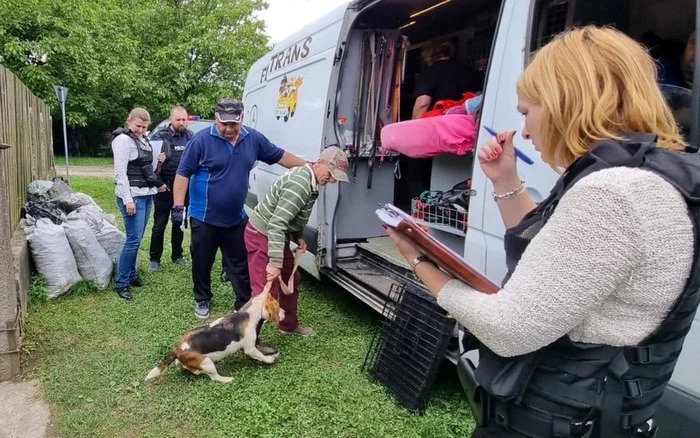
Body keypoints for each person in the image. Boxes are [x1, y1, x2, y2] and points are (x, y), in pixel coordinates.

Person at [386, 26, 699, 438]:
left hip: (559, 420)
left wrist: (417, 258)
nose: (527, 132)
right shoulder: (649, 177)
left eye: (526, 112)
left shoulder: (613, 194)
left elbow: (509, 329)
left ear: (566, 103)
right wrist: (504, 180)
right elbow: (558, 256)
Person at [171, 98, 306, 322]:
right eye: (224, 123)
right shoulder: (201, 141)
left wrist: (308, 166)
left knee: (240, 262)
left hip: (236, 217)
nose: (228, 128)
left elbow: (280, 156)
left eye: (233, 123)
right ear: (216, 118)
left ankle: (242, 302)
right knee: (202, 260)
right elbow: (183, 173)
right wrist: (178, 206)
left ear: (242, 118)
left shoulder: (253, 139)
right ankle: (202, 298)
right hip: (204, 217)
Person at [245, 145, 349, 343]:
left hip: (275, 234)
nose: (333, 179)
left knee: (293, 279)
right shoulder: (300, 184)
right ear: (319, 163)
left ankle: (288, 325)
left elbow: (291, 216)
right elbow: (277, 223)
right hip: (262, 234)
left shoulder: (310, 179)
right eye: (331, 173)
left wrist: (298, 236)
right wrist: (274, 263)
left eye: (336, 176)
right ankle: (251, 342)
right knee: (264, 292)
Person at [397, 38, 482, 211]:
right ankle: (450, 210)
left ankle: (421, 213)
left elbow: (422, 104)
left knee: (415, 175)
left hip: (435, 136)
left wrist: (415, 133)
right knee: (455, 177)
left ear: (428, 55)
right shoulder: (470, 72)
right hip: (463, 136)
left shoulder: (431, 73)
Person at [111, 108, 168, 300]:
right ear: (129, 121)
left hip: (145, 194)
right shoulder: (122, 141)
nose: (140, 130)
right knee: (133, 240)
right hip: (132, 196)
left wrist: (158, 162)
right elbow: (120, 173)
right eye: (138, 126)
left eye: (144, 127)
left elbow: (146, 168)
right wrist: (128, 200)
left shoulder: (144, 139)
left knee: (137, 239)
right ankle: (122, 282)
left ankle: (132, 274)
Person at [148, 106, 193, 271]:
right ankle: (154, 258)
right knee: (159, 225)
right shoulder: (159, 137)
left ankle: (177, 255)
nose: (181, 122)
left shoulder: (191, 137)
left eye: (184, 119)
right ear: (171, 119)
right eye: (178, 119)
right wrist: (159, 183)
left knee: (178, 223)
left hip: (183, 191)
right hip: (164, 188)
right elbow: (150, 163)